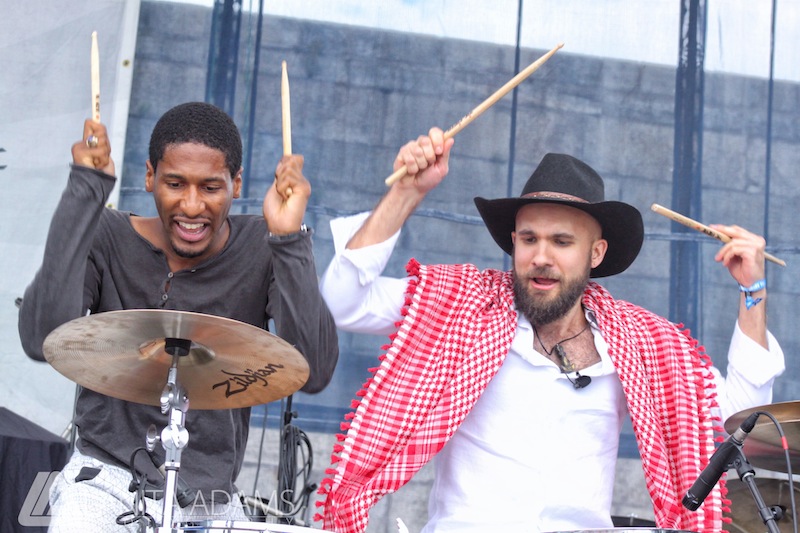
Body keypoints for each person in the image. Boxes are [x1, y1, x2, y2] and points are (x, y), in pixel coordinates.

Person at [315, 128, 784, 533]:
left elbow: (742, 418)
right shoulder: (462, 306)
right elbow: (342, 302)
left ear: (595, 254)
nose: (541, 255)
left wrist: (753, 290)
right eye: (529, 239)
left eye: (561, 241)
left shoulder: (638, 342)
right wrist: (407, 193)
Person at [18, 102, 339, 531]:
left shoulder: (262, 248)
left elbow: (314, 371)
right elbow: (40, 337)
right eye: (174, 183)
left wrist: (287, 238)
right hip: (104, 481)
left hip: (209, 498)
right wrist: (86, 190)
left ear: (236, 184)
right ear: (150, 176)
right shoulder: (108, 235)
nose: (191, 206)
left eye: (210, 188)